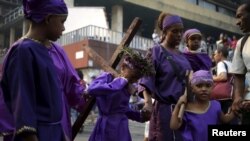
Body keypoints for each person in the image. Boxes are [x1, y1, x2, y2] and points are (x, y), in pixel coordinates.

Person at [0, 0, 86, 141]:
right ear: (48, 19)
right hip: (36, 135)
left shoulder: (42, 48)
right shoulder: (22, 51)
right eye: (62, 21)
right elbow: (23, 108)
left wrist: (61, 134)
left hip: (53, 132)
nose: (63, 28)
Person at [139, 12, 192, 141]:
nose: (179, 35)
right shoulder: (156, 52)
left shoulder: (183, 57)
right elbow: (146, 79)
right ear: (165, 32)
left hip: (184, 110)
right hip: (164, 111)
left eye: (181, 31)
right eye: (174, 31)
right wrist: (147, 103)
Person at [87, 48, 155, 141]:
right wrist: (120, 82)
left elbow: (123, 109)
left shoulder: (128, 87)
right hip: (104, 127)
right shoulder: (107, 77)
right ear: (123, 67)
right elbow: (91, 89)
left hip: (121, 130)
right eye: (133, 77)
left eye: (137, 79)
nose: (134, 81)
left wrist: (140, 116)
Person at [170, 70, 235, 141]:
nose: (204, 89)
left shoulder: (216, 105)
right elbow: (174, 126)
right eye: (199, 86)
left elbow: (225, 120)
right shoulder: (186, 107)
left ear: (213, 87)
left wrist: (237, 109)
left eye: (208, 86)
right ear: (192, 88)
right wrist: (178, 105)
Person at [231, 2, 250, 124]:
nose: (237, 22)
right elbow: (238, 74)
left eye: (240, 16)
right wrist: (238, 97)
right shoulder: (241, 43)